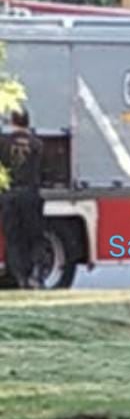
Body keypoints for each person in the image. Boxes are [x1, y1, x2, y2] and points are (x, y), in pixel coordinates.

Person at [0, 109, 45, 288]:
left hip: (10, 196)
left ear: (12, 122)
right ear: (28, 121)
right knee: (33, 236)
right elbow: (43, 170)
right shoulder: (37, 144)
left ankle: (18, 277)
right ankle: (34, 274)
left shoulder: (3, 143)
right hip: (30, 195)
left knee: (13, 238)